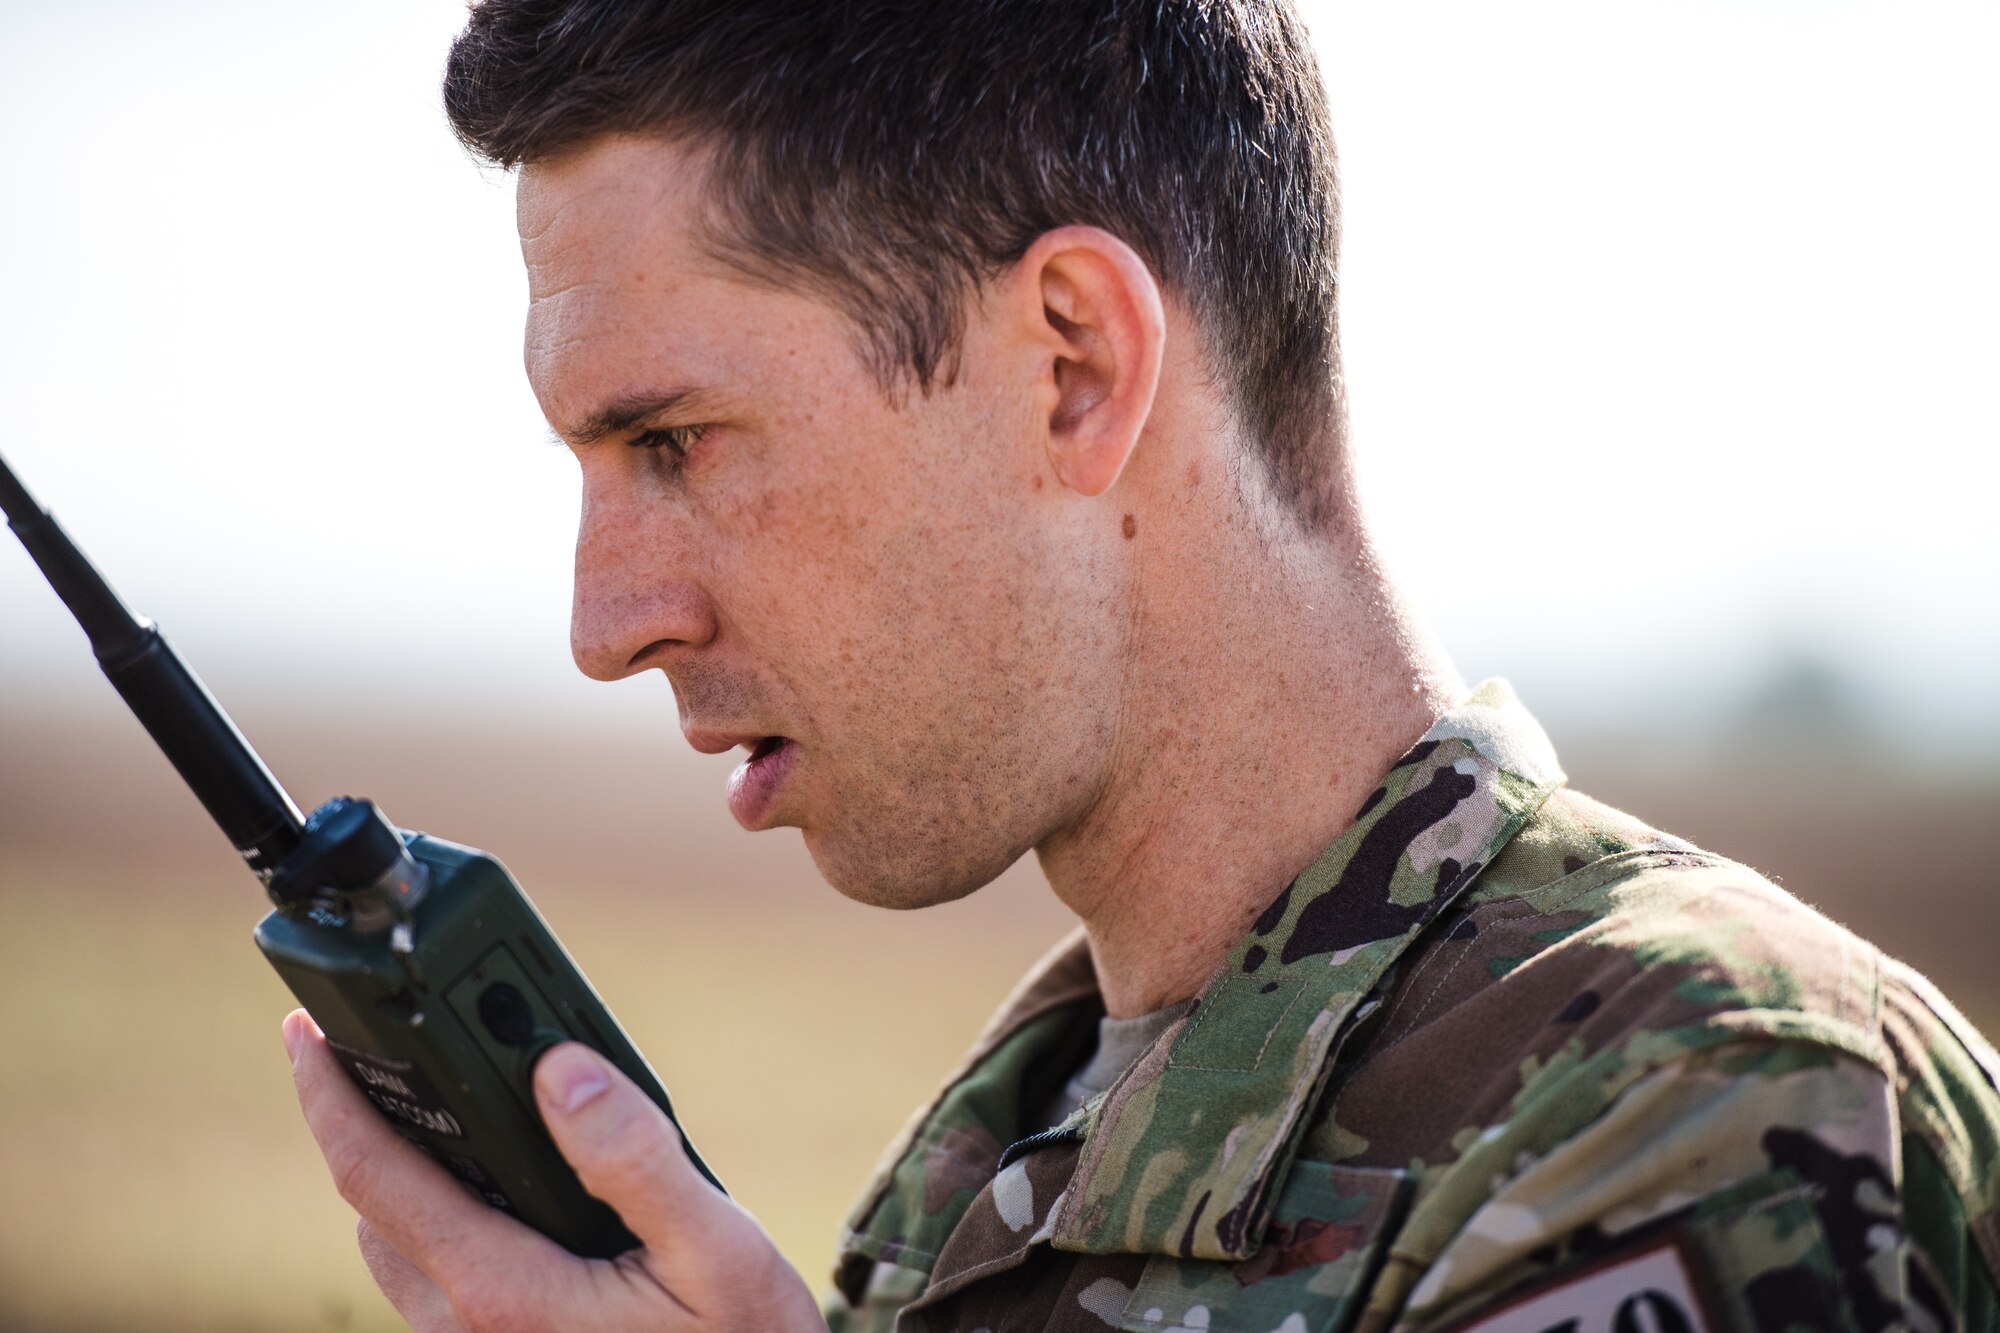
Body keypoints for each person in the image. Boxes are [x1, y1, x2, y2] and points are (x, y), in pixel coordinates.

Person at [280, 3, 2000, 1331]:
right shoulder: (987, 1172)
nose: (607, 621)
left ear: (1073, 369)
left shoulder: (1696, 1094)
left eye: (673, 442)